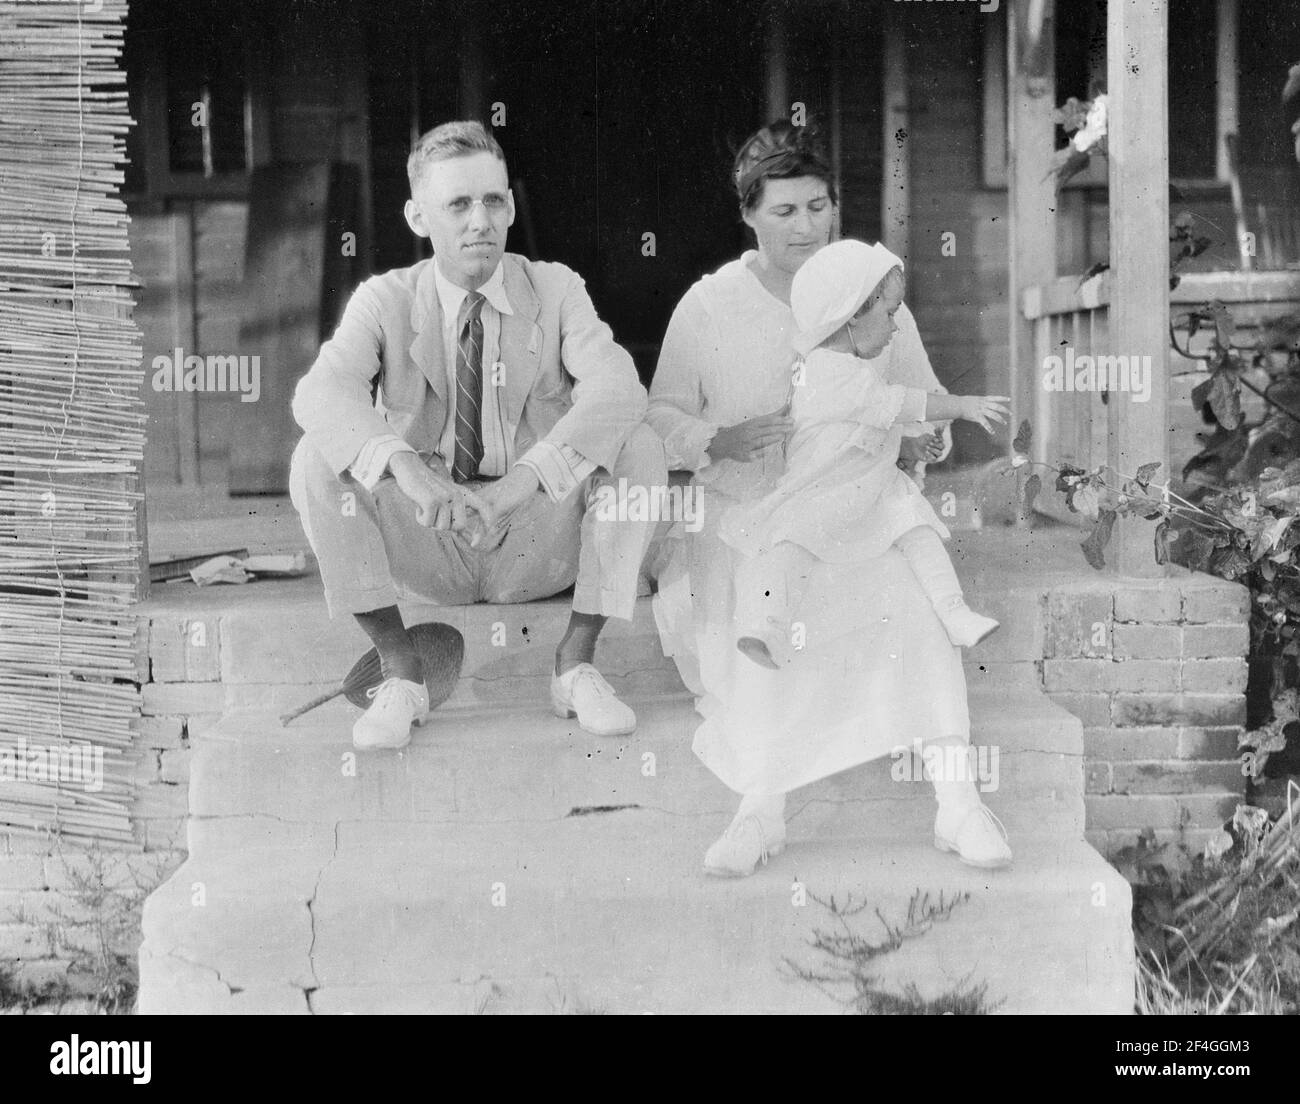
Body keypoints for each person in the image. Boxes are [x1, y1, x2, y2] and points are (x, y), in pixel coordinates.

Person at [647, 120, 1011, 878]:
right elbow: (663, 413)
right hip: (751, 509)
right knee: (766, 612)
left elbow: (926, 401)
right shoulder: (711, 304)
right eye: (785, 211)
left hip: (853, 503)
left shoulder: (872, 294)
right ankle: (761, 810)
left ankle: (958, 802)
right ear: (748, 213)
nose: (806, 226)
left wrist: (924, 440)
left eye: (818, 207)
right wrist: (718, 439)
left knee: (913, 603)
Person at [290, 120, 666, 750]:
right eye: (457, 205)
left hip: (534, 539)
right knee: (316, 457)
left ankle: (575, 665)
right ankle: (401, 674)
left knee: (640, 443)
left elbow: (619, 387)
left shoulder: (555, 287)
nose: (480, 221)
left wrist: (523, 482)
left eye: (494, 201)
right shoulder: (383, 299)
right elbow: (319, 394)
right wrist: (409, 471)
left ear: (512, 206)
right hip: (430, 542)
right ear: (417, 217)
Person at [722, 238, 1006, 670]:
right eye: (890, 313)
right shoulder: (832, 372)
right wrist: (964, 405)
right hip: (821, 491)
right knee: (785, 548)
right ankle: (766, 625)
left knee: (918, 529)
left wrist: (910, 445)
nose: (896, 327)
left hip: (867, 487)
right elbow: (907, 403)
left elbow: (866, 430)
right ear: (853, 313)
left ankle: (954, 612)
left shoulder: (845, 371)